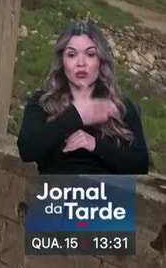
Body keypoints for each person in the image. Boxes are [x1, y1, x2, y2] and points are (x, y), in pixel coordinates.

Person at [17, 21, 150, 175]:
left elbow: (141, 165)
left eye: (90, 54)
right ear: (62, 61)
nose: (81, 63)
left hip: (105, 190)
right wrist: (76, 115)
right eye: (72, 55)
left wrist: (95, 145)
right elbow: (27, 151)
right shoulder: (43, 102)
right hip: (56, 189)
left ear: (100, 61)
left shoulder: (121, 106)